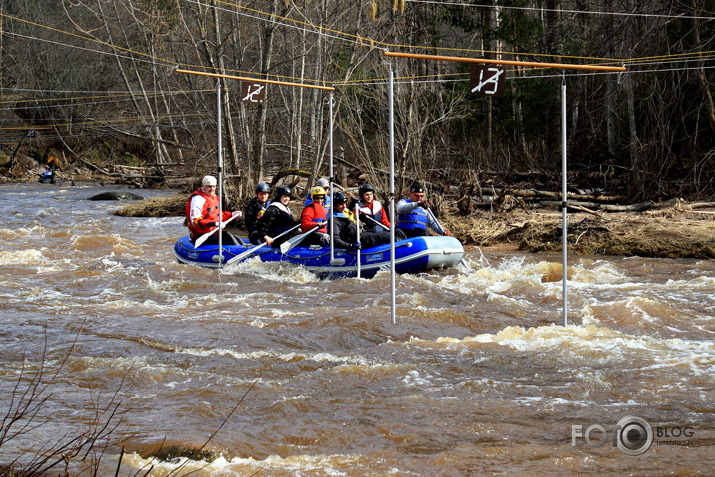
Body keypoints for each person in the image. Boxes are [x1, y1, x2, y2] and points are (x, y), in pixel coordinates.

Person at [186, 175, 242, 246]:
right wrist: (214, 223)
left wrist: (231, 214)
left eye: (213, 186)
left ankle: (246, 251)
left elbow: (218, 215)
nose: (212, 189)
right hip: (200, 234)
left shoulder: (214, 197)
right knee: (228, 236)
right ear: (203, 186)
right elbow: (195, 221)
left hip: (214, 232)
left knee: (233, 237)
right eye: (209, 186)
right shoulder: (198, 199)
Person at [329, 191, 394, 249]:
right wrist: (351, 246)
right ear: (334, 206)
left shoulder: (344, 212)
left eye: (345, 204)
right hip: (356, 239)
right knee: (387, 237)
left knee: (393, 233)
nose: (344, 206)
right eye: (341, 204)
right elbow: (335, 240)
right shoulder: (334, 220)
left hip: (362, 233)